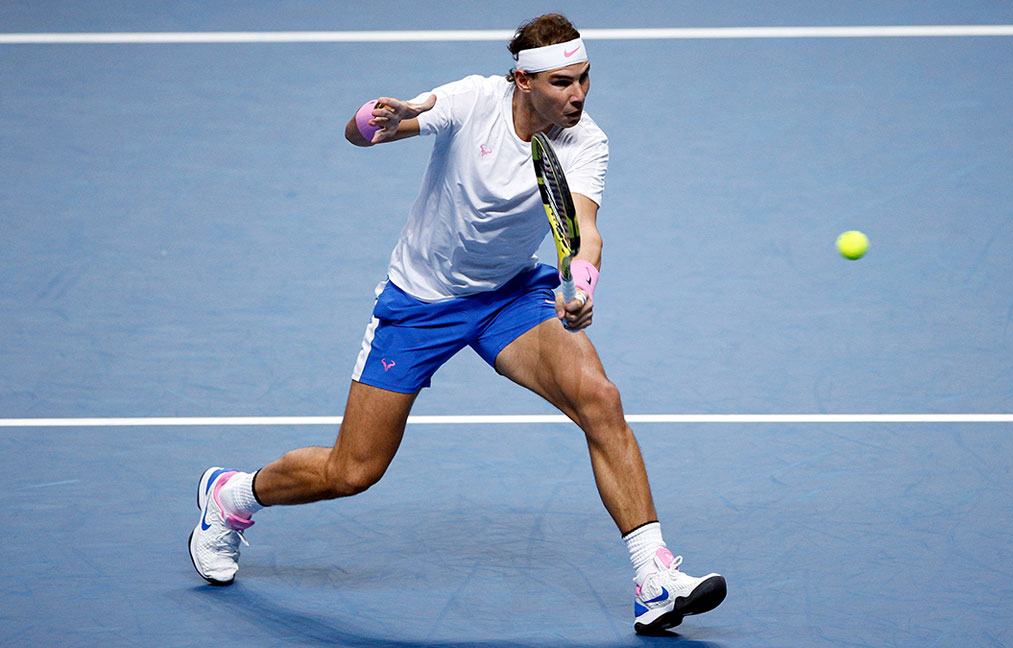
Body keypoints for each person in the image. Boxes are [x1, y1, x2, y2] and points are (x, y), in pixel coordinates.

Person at [188, 13, 726, 635]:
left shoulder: (588, 141)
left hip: (508, 297)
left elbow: (585, 233)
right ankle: (231, 496)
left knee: (599, 398)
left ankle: (653, 579)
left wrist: (580, 288)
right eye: (561, 83)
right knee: (352, 471)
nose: (576, 95)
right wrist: (374, 118)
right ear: (523, 82)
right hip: (420, 304)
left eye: (584, 80)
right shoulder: (475, 99)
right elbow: (367, 132)